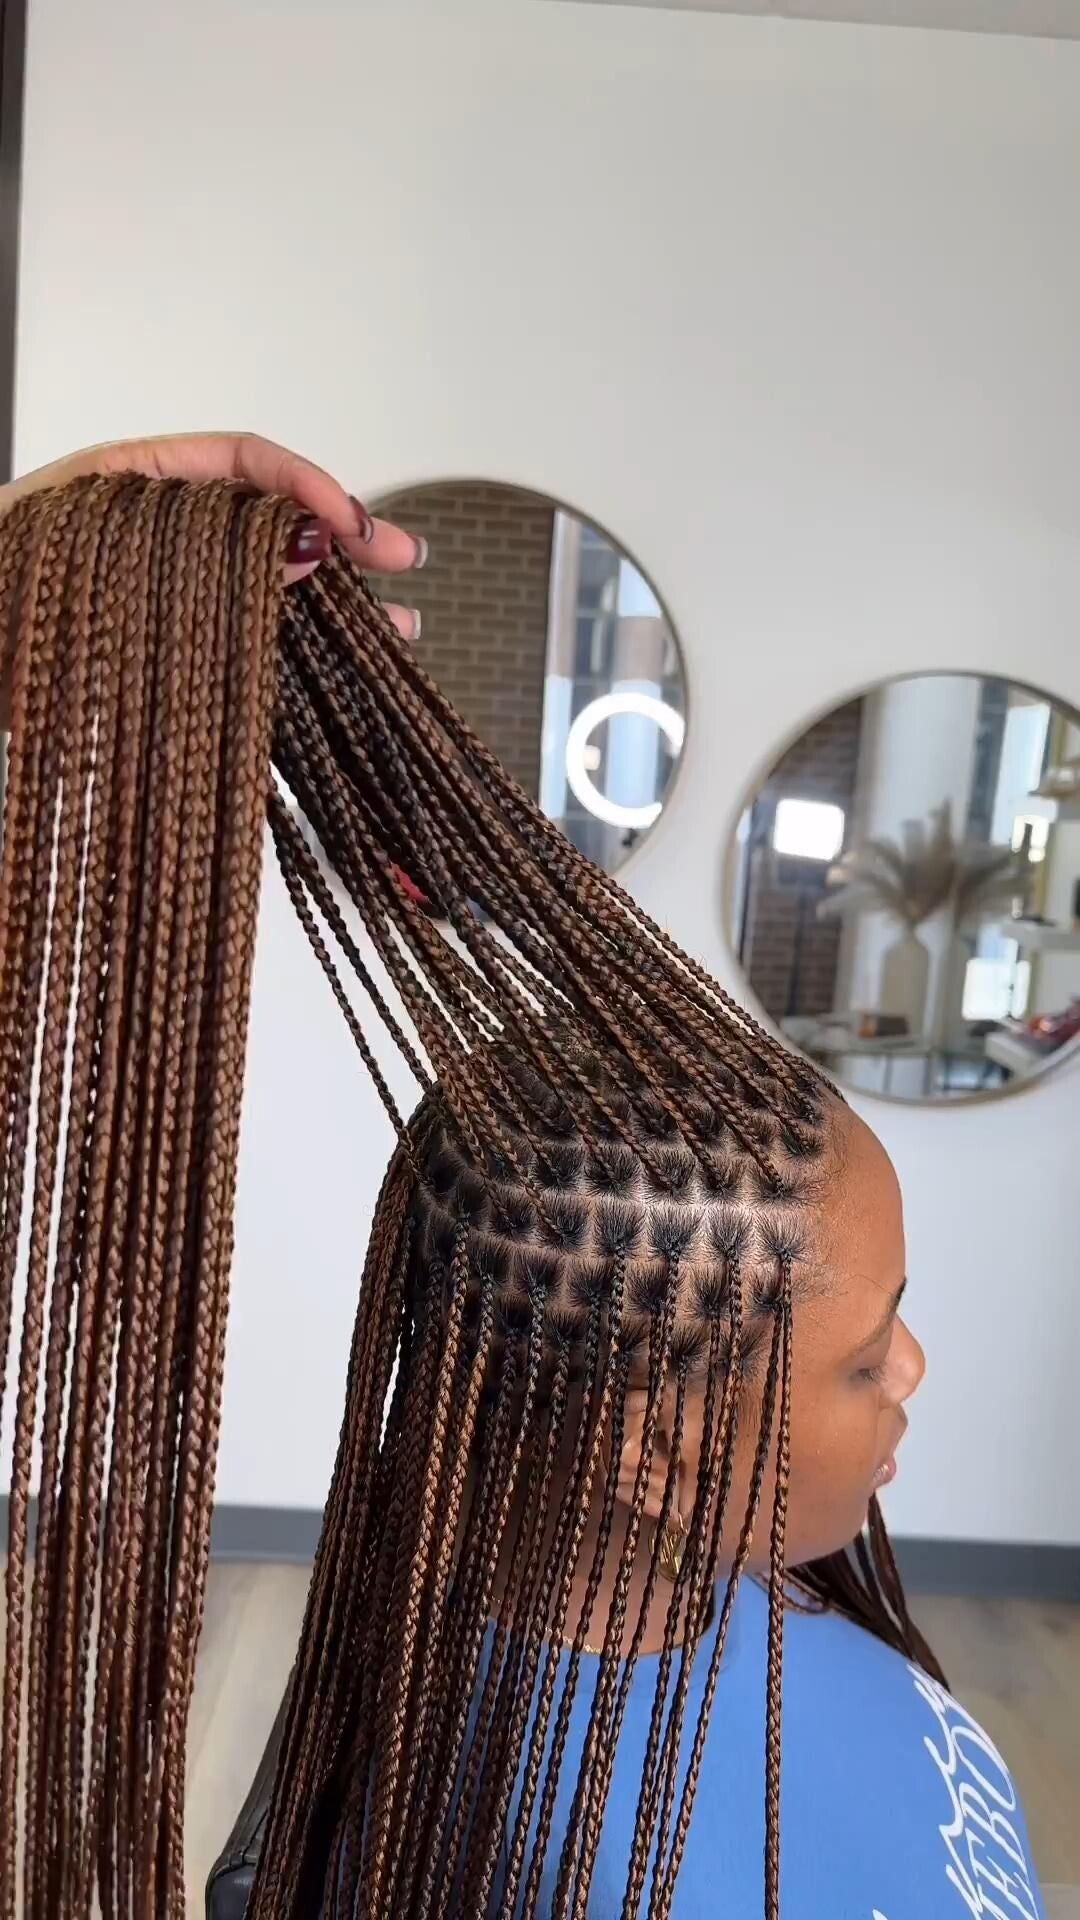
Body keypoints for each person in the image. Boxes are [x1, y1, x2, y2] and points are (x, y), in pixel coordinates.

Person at [0, 435, 1046, 1920]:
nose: (914, 1368)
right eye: (867, 1356)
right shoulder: (537, 1861)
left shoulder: (758, 1581)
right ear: (658, 1461)